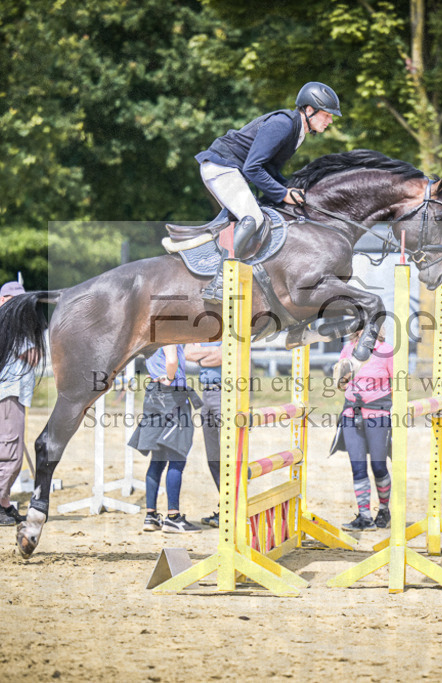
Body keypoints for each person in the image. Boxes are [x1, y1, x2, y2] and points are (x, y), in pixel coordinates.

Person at [195, 81, 342, 303]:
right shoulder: (283, 124)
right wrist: (283, 193)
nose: (330, 120)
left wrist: (290, 190)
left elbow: (270, 169)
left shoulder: (297, 131)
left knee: (264, 212)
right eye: (327, 114)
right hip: (222, 167)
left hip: (234, 171)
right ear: (309, 110)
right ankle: (220, 282)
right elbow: (252, 168)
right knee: (253, 217)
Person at [0, 281, 38, 526]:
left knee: (6, 449)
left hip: (7, 394)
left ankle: (3, 504)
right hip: (6, 395)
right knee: (8, 451)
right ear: (3, 299)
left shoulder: (5, 321)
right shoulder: (9, 323)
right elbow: (33, 356)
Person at [129, 344, 201, 533]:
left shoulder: (150, 337)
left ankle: (151, 516)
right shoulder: (169, 333)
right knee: (177, 459)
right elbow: (171, 360)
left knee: (157, 460)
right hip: (172, 396)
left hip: (154, 393)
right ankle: (173, 517)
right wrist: (169, 377)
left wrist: (156, 374)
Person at [330, 329, 394, 531]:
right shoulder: (348, 349)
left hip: (378, 415)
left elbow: (398, 384)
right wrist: (342, 377)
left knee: (378, 467)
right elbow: (340, 385)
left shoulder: (386, 351)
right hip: (351, 413)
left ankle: (383, 509)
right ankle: (364, 516)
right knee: (357, 467)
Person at [185, 341, 223, 527]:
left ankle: (233, 506)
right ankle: (225, 505)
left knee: (229, 455)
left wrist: (202, 355)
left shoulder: (232, 327)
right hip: (207, 394)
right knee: (213, 457)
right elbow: (188, 353)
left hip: (227, 392)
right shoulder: (204, 331)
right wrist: (212, 352)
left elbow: (222, 356)